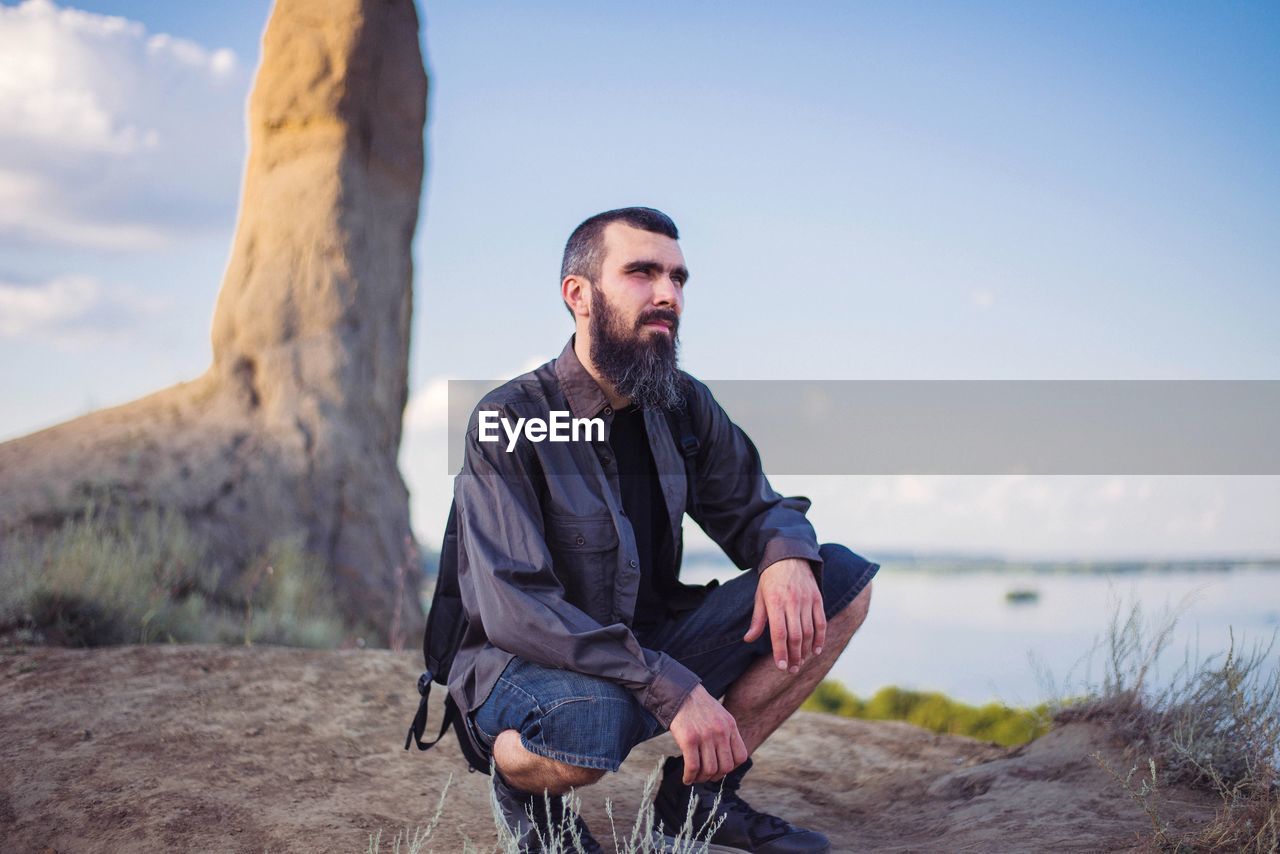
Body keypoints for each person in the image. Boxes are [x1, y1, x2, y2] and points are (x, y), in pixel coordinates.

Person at [449, 206, 878, 853]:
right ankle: (526, 792)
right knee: (594, 722)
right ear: (579, 295)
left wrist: (785, 554)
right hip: (519, 662)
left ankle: (693, 803)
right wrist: (670, 688)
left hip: (642, 640)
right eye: (642, 273)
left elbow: (758, 508)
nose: (667, 295)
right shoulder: (510, 418)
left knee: (838, 582)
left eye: (678, 278)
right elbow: (517, 608)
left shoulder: (682, 401)